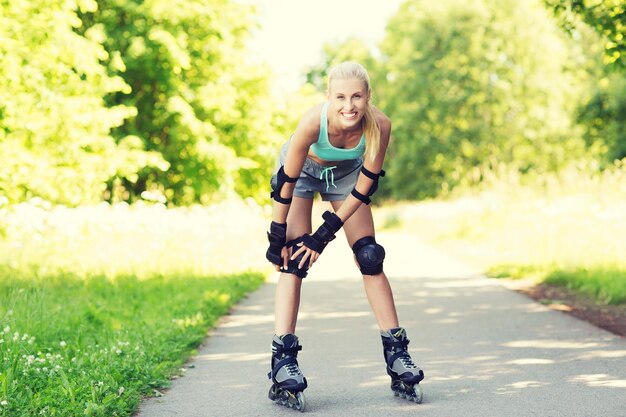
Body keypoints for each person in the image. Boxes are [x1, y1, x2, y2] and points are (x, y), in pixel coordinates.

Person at [265, 61, 424, 411]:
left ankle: (398, 354)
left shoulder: (380, 125)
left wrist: (325, 233)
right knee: (294, 259)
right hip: (303, 172)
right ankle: (282, 361)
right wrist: (277, 236)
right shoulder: (311, 122)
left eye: (356, 97)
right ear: (328, 97)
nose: (348, 105)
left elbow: (365, 187)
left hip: (349, 175)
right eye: (340, 97)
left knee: (370, 256)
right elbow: (285, 184)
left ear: (368, 97)